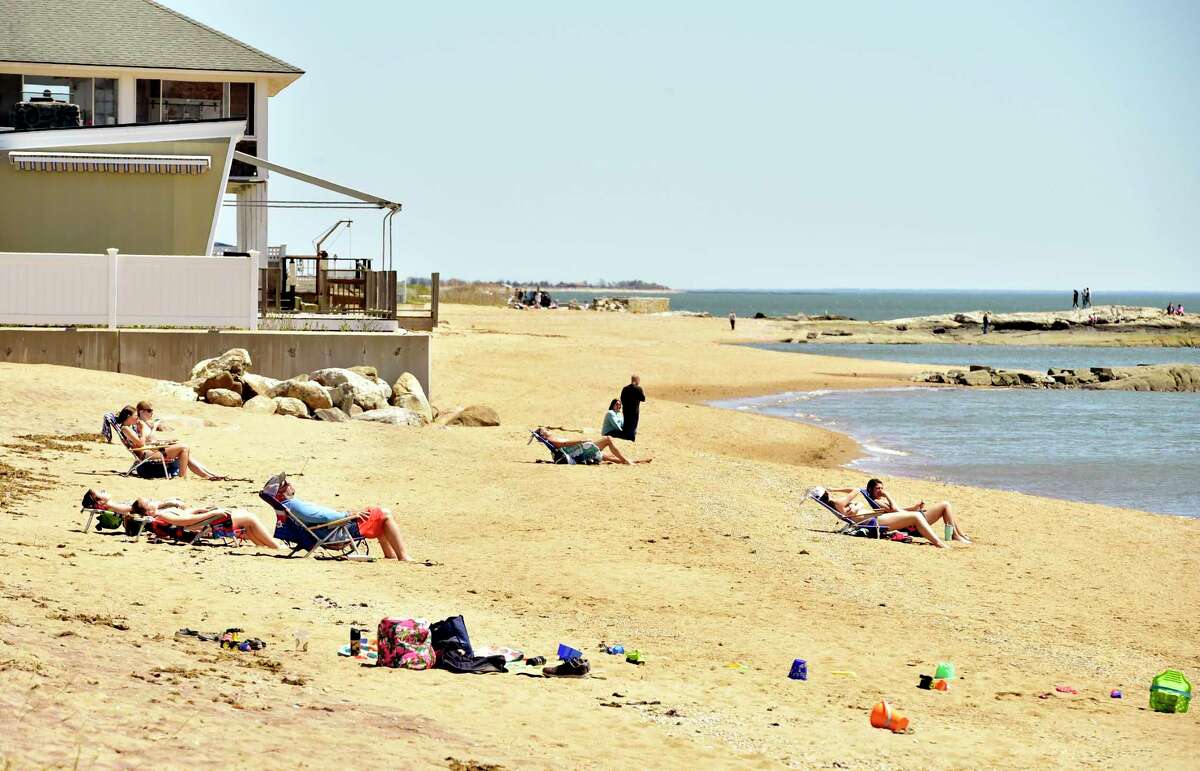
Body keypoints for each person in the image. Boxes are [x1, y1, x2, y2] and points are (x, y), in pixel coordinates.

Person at [271, 476, 413, 561]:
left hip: (330, 529)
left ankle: (390, 555)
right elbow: (323, 516)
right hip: (337, 532)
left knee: (375, 515)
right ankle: (403, 556)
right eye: (285, 484)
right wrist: (347, 515)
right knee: (384, 514)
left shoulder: (288, 505)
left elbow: (319, 517)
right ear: (281, 493)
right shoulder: (294, 505)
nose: (289, 484)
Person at [812, 484, 965, 549]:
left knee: (916, 515)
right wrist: (840, 491)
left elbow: (854, 508)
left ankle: (951, 538)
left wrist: (856, 506)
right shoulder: (839, 502)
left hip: (868, 520)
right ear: (826, 494)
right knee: (916, 517)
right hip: (872, 522)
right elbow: (856, 489)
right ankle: (940, 544)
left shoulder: (838, 506)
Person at [114, 405, 224, 480]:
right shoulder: (126, 429)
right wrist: (142, 429)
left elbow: (140, 443)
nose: (137, 418)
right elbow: (141, 444)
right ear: (128, 416)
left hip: (148, 451)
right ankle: (183, 476)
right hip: (147, 455)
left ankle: (208, 475)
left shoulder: (128, 428)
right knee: (184, 448)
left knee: (184, 451)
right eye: (135, 416)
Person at [130, 498, 280, 549]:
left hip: (205, 521)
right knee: (250, 519)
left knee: (247, 519)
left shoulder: (163, 514)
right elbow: (187, 522)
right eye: (148, 502)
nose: (151, 500)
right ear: (148, 512)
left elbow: (187, 515)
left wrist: (198, 510)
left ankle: (264, 545)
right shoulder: (165, 514)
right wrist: (212, 514)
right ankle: (275, 546)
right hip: (208, 524)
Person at [863, 478, 971, 545]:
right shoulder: (878, 502)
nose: (881, 491)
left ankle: (959, 534)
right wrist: (887, 495)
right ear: (871, 490)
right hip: (913, 525)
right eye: (878, 488)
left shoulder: (880, 501)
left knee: (946, 508)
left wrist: (914, 508)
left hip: (912, 518)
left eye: (882, 488)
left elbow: (899, 510)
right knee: (945, 505)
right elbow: (896, 510)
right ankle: (955, 535)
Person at [534, 428, 649, 464]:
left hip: (575, 452)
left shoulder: (551, 438)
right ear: (543, 435)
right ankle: (627, 461)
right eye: (546, 430)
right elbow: (565, 444)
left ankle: (635, 461)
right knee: (608, 439)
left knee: (606, 456)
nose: (549, 430)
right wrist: (582, 440)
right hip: (576, 452)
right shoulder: (551, 439)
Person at [619, 375, 646, 442]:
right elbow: (643, 399)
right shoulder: (639, 388)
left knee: (627, 422)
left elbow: (622, 398)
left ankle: (625, 435)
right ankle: (630, 437)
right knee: (633, 424)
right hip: (634, 410)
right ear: (636, 380)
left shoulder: (625, 388)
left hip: (626, 409)